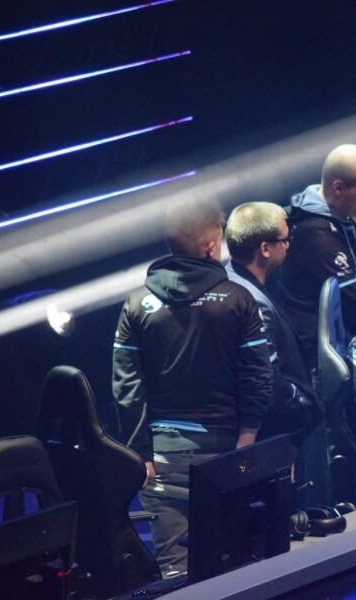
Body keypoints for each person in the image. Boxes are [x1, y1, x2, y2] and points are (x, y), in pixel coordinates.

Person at [112, 199, 272, 577]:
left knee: (176, 577)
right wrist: (248, 437)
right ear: (210, 246)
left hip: (161, 460)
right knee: (234, 569)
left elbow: (126, 389)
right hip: (227, 456)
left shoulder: (135, 304)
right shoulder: (238, 299)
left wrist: (140, 453)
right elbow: (258, 376)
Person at [225, 201, 328, 507]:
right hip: (273, 438)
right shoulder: (253, 300)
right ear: (265, 249)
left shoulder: (236, 284)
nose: (289, 245)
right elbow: (268, 379)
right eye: (285, 239)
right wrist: (306, 404)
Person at [276, 144, 356, 360]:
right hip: (323, 356)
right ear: (338, 188)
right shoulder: (314, 235)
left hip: (351, 340)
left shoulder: (349, 217)